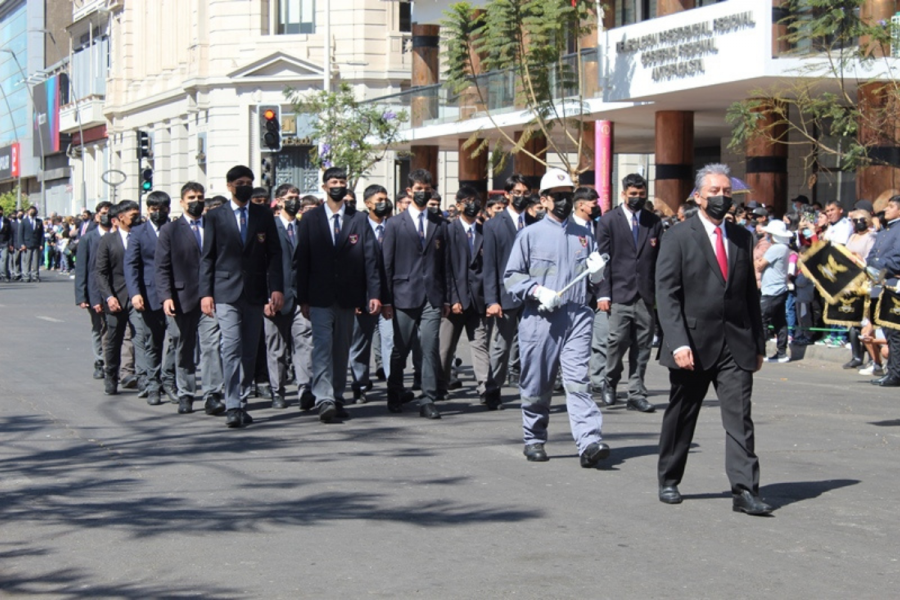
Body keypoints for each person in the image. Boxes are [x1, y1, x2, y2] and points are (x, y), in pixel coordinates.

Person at [655, 163, 772, 516]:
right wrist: (678, 342)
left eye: (726, 192)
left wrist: (758, 344)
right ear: (698, 196)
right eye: (715, 192)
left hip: (735, 344)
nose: (722, 198)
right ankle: (669, 478)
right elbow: (666, 292)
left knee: (739, 418)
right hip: (692, 343)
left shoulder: (741, 236)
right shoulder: (678, 235)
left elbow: (749, 293)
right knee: (682, 414)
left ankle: (744, 490)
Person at [503, 168, 610, 466]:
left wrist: (597, 273)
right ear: (545, 200)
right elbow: (511, 277)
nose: (565, 202)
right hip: (541, 319)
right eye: (559, 197)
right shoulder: (529, 235)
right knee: (538, 382)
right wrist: (537, 291)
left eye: (568, 196)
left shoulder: (585, 234)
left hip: (577, 316)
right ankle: (534, 438)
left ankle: (589, 441)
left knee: (578, 381)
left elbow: (594, 277)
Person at [200, 165, 284, 427]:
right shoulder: (216, 216)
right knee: (232, 346)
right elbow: (208, 257)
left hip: (256, 291)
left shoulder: (263, 214)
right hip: (225, 291)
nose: (244, 186)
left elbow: (274, 254)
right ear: (229, 186)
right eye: (239, 182)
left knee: (249, 350)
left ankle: (242, 399)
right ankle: (233, 404)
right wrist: (206, 293)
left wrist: (276, 288)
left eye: (249, 181)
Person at [296, 167, 381, 422]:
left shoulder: (359, 219)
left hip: (348, 296)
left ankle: (337, 395)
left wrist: (373, 293)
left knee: (342, 349)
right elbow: (302, 260)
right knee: (322, 346)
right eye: (333, 181)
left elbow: (370, 258)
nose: (338, 185)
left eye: (342, 181)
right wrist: (303, 298)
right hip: (319, 295)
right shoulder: (310, 220)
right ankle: (324, 399)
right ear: (324, 187)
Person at [381, 168, 448, 419]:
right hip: (403, 295)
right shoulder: (395, 224)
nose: (422, 193)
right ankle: (394, 392)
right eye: (418, 190)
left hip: (432, 296)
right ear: (409, 191)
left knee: (430, 347)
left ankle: (428, 399)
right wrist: (386, 300)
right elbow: (386, 264)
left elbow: (446, 265)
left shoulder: (440, 224)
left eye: (426, 189)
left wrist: (447, 298)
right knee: (401, 348)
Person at [156, 182, 225, 416]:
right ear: (182, 202)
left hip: (210, 299)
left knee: (211, 346)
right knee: (184, 347)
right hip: (181, 298)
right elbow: (162, 267)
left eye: (200, 197)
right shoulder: (170, 230)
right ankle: (185, 393)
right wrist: (166, 296)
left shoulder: (213, 226)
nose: (197, 201)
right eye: (192, 198)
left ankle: (212, 394)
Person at [596, 174, 662, 412]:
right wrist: (603, 294)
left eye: (641, 195)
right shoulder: (608, 221)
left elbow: (659, 260)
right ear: (623, 194)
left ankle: (636, 393)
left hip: (645, 295)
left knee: (643, 346)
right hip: (618, 293)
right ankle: (610, 381)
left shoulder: (653, 221)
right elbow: (601, 261)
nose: (637, 199)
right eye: (633, 195)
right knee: (616, 341)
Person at [440, 185, 498, 408]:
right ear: (458, 203)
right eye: (468, 201)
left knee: (480, 345)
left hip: (479, 300)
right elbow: (446, 268)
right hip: (455, 300)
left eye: (476, 200)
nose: (472, 205)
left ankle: (486, 388)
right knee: (445, 348)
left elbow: (491, 268)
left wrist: (492, 300)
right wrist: (451, 298)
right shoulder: (448, 230)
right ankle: (440, 385)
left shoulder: (486, 232)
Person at [262, 183, 313, 410]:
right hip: (276, 297)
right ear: (280, 201)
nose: (296, 201)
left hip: (301, 298)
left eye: (297, 197)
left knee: (304, 343)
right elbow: (261, 266)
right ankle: (278, 391)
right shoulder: (270, 229)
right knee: (277, 348)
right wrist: (266, 297)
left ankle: (305, 389)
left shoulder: (305, 228)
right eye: (291, 197)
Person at [483, 174, 532, 401]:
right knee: (502, 346)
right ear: (507, 194)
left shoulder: (536, 223)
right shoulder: (493, 225)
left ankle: (531, 390)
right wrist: (492, 300)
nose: (521, 197)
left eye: (525, 193)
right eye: (516, 193)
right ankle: (493, 388)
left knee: (532, 345)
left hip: (532, 294)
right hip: (505, 295)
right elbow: (490, 265)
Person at [124, 191, 171, 405]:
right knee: (153, 341)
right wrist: (135, 293)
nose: (158, 213)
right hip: (149, 294)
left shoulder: (176, 229)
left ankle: (170, 380)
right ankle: (153, 384)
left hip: (175, 294)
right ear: (148, 210)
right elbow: (131, 264)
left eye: (162, 209)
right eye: (153, 210)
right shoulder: (138, 232)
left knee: (176, 340)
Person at [348, 184, 392, 403]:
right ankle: (360, 384)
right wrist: (357, 296)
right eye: (379, 200)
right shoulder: (357, 225)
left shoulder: (392, 226)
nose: (384, 203)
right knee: (360, 344)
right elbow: (354, 264)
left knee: (391, 342)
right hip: (364, 296)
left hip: (390, 296)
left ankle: (394, 385)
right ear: (368, 203)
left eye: (386, 199)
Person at [95, 201, 143, 396]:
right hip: (116, 299)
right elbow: (101, 272)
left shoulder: (141, 237)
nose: (137, 219)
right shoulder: (108, 240)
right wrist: (108, 297)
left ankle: (144, 378)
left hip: (139, 297)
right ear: (120, 217)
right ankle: (111, 375)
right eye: (133, 215)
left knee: (141, 338)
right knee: (114, 340)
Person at [74, 201, 112, 379]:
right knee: (99, 327)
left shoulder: (118, 236)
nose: (106, 216)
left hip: (115, 291)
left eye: (109, 213)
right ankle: (100, 361)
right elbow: (82, 268)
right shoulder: (88, 238)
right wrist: (82, 296)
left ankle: (114, 362)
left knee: (113, 329)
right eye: (103, 212)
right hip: (94, 291)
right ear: (97, 215)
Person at [866, 195, 900, 387]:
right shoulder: (885, 230)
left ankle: (896, 373)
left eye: (891, 207)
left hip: (894, 283)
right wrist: (871, 264)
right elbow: (873, 254)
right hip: (882, 282)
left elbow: (897, 257)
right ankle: (892, 371)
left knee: (895, 332)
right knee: (888, 330)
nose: (886, 210)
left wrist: (878, 265)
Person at [756, 220, 793, 363]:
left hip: (772, 290)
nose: (767, 236)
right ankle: (782, 352)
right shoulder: (783, 248)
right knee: (779, 321)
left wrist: (757, 260)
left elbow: (759, 265)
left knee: (762, 320)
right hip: (778, 288)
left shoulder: (776, 248)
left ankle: (762, 351)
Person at [18, 206, 43, 283]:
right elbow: (20, 234)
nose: (32, 212)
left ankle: (35, 276)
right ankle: (26, 276)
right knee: (26, 261)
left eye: (34, 211)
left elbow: (41, 234)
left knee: (35, 261)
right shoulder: (24, 221)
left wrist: (41, 244)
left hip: (36, 244)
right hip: (27, 244)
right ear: (28, 211)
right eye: (31, 210)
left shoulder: (39, 221)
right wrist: (22, 244)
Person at [0, 206, 12, 281]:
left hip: (4, 243)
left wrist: (10, 244)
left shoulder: (6, 221)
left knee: (4, 259)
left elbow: (10, 233)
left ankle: (4, 275)